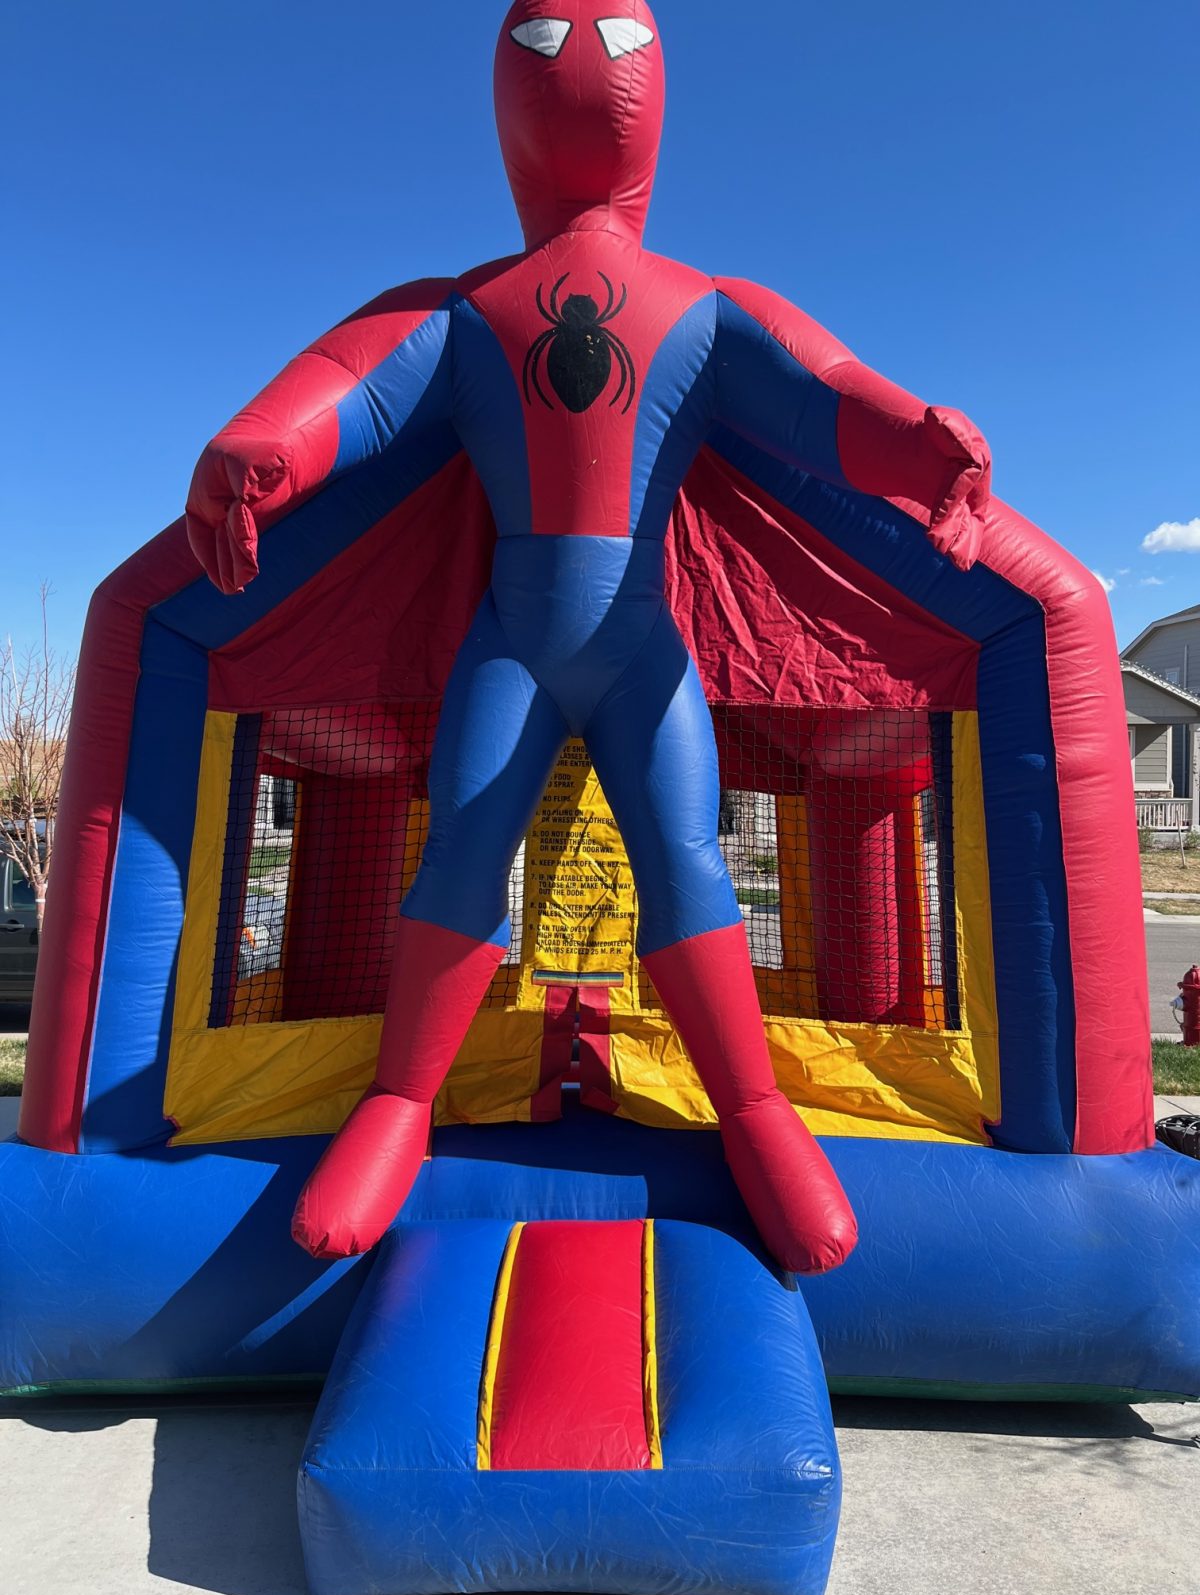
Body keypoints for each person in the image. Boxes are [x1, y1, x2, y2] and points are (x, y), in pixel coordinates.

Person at [187, 0, 990, 1274]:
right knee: (463, 851)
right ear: (511, 101)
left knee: (684, 862)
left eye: (614, 47)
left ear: (651, 90)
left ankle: (755, 1109)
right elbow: (353, 389)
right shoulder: (469, 309)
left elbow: (821, 395)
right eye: (553, 50)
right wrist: (262, 453)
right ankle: (399, 1100)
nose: (587, 76)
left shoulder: (702, 307)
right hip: (522, 637)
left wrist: (922, 436)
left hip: (630, 644)